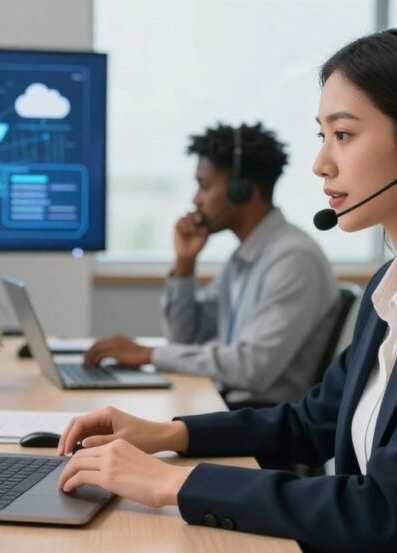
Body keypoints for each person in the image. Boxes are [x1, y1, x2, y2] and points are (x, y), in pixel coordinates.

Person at [56, 26, 397, 553]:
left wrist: (171, 484)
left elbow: (385, 509)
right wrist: (167, 434)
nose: (320, 163)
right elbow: (312, 422)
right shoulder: (394, 283)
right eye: (322, 136)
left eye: (344, 135)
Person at [84, 123, 338, 406]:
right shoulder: (247, 256)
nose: (196, 199)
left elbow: (250, 367)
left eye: (204, 186)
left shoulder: (293, 258)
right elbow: (185, 339)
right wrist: (184, 264)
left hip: (261, 421)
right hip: (229, 405)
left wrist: (149, 354)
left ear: (242, 190)